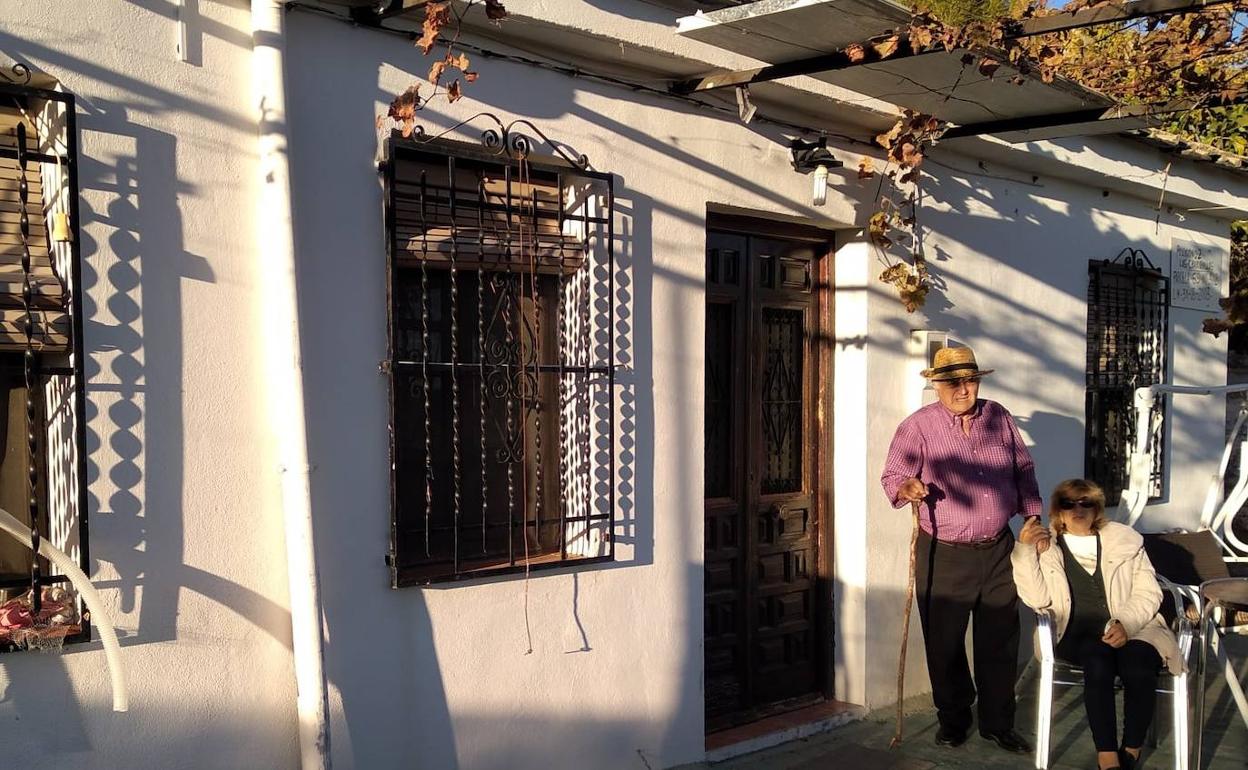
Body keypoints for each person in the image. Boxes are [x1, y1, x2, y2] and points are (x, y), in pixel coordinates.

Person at [881, 345, 1040, 754]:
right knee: (945, 642)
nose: (963, 389)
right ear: (937, 386)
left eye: (970, 380)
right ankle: (953, 719)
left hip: (999, 549)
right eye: (953, 382)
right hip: (945, 553)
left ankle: (998, 723)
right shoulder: (917, 427)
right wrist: (906, 487)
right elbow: (894, 473)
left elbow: (1023, 467)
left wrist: (1032, 516)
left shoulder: (998, 416)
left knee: (1000, 640)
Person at [1013, 479, 1183, 770]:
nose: (1077, 509)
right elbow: (1036, 598)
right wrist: (1025, 551)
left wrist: (1125, 624)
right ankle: (1107, 756)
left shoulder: (1125, 540)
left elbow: (1148, 591)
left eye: (1085, 502)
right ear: (1058, 511)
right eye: (1068, 503)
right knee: (1098, 660)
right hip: (1073, 631)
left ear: (1097, 508)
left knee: (1139, 663)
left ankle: (1131, 748)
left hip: (1135, 625)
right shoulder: (1047, 545)